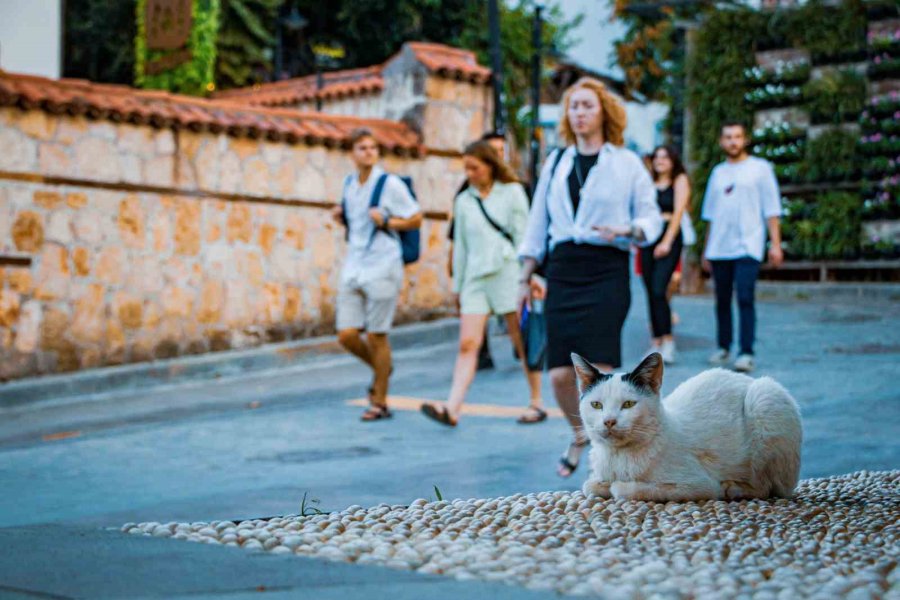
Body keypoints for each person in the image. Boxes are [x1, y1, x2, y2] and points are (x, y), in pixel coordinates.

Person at [517, 77, 663, 477]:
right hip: (564, 270)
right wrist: (523, 277)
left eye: (587, 106)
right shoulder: (557, 162)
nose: (579, 113)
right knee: (562, 374)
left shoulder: (626, 162)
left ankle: (608, 462)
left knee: (598, 371)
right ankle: (578, 434)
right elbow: (537, 224)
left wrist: (627, 230)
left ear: (603, 112)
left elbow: (650, 217)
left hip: (606, 270)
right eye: (573, 106)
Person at [422, 141, 546, 426]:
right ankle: (452, 408)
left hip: (507, 273)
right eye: (466, 168)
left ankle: (536, 402)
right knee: (468, 343)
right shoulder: (464, 200)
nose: (470, 173)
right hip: (475, 278)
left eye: (474, 167)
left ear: (490, 166)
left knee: (521, 339)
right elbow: (462, 246)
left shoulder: (512, 193)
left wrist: (529, 277)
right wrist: (457, 286)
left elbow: (524, 236)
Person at [331, 128, 423, 421]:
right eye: (362, 148)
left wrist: (388, 221)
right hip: (355, 263)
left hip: (383, 263)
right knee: (346, 335)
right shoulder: (349, 183)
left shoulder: (390, 184)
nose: (369, 152)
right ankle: (382, 367)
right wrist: (340, 214)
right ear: (352, 153)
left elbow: (416, 217)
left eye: (373, 147)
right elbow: (355, 220)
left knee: (376, 335)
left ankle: (380, 401)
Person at [701, 121, 783, 373]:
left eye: (737, 136)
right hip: (719, 247)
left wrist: (776, 244)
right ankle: (723, 345)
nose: (733, 141)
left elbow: (772, 209)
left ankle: (746, 351)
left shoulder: (760, 169)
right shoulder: (717, 173)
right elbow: (710, 215)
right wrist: (706, 250)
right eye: (728, 137)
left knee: (745, 297)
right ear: (721, 141)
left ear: (745, 140)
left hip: (749, 243)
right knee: (721, 299)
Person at [447, 131, 508, 371]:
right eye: (493, 151)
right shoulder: (465, 193)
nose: (498, 156)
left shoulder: (515, 188)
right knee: (474, 317)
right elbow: (457, 234)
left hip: (507, 264)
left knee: (515, 320)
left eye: (501, 151)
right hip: (476, 264)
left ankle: (525, 350)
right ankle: (480, 352)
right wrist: (454, 269)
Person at [639, 145, 692, 364]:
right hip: (648, 237)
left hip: (669, 235)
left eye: (665, 157)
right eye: (657, 157)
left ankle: (668, 340)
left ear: (672, 161)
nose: (660, 161)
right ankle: (656, 341)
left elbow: (679, 212)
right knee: (650, 290)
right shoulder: (647, 183)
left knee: (660, 288)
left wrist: (667, 241)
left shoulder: (679, 180)